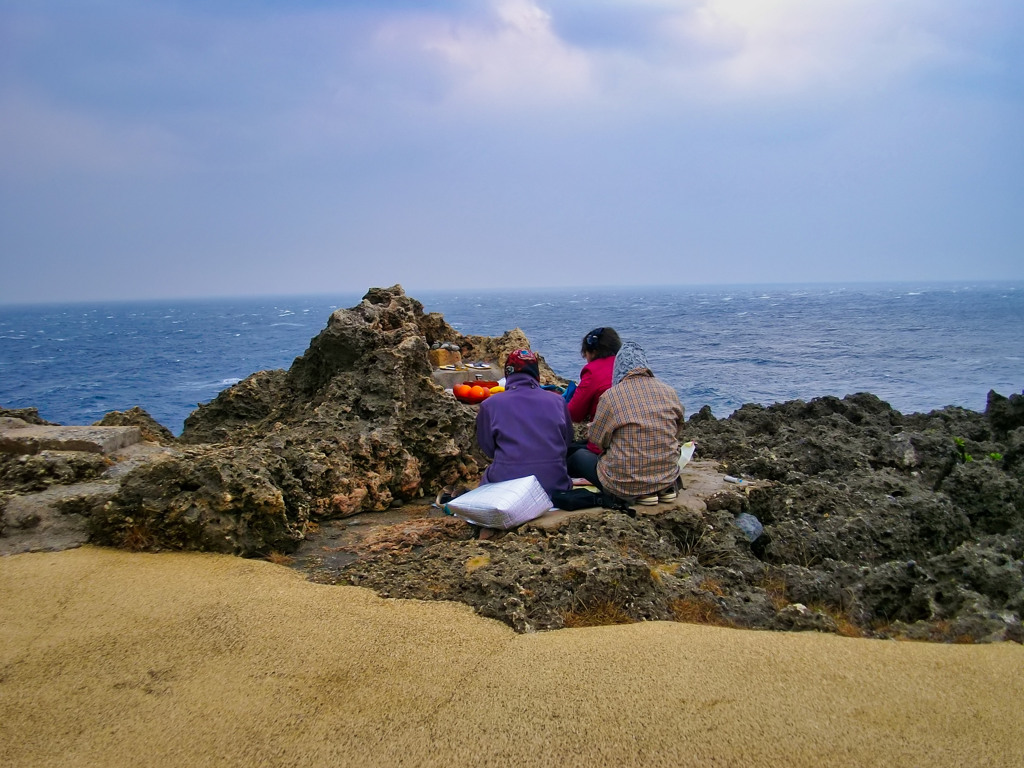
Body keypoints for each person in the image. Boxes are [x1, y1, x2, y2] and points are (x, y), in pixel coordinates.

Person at [567, 341, 685, 505]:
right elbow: (676, 430)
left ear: (618, 367)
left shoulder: (611, 397)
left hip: (624, 484)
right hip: (666, 476)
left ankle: (639, 493)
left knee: (578, 456)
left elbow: (596, 440)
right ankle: (662, 489)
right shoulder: (669, 392)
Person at [475, 349, 574, 498]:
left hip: (506, 488)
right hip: (555, 486)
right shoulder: (558, 401)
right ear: (536, 374)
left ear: (508, 373)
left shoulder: (490, 405)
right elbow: (566, 441)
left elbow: (488, 449)